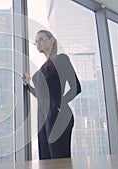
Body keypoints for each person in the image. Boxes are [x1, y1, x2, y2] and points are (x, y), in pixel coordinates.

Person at [23, 30, 81, 159]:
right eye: (36, 41)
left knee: (58, 159)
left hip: (58, 115)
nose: (38, 43)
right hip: (44, 118)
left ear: (52, 40)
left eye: (42, 39)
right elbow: (41, 96)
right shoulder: (43, 67)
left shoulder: (61, 59)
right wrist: (27, 85)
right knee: (45, 159)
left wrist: (59, 104)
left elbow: (76, 87)